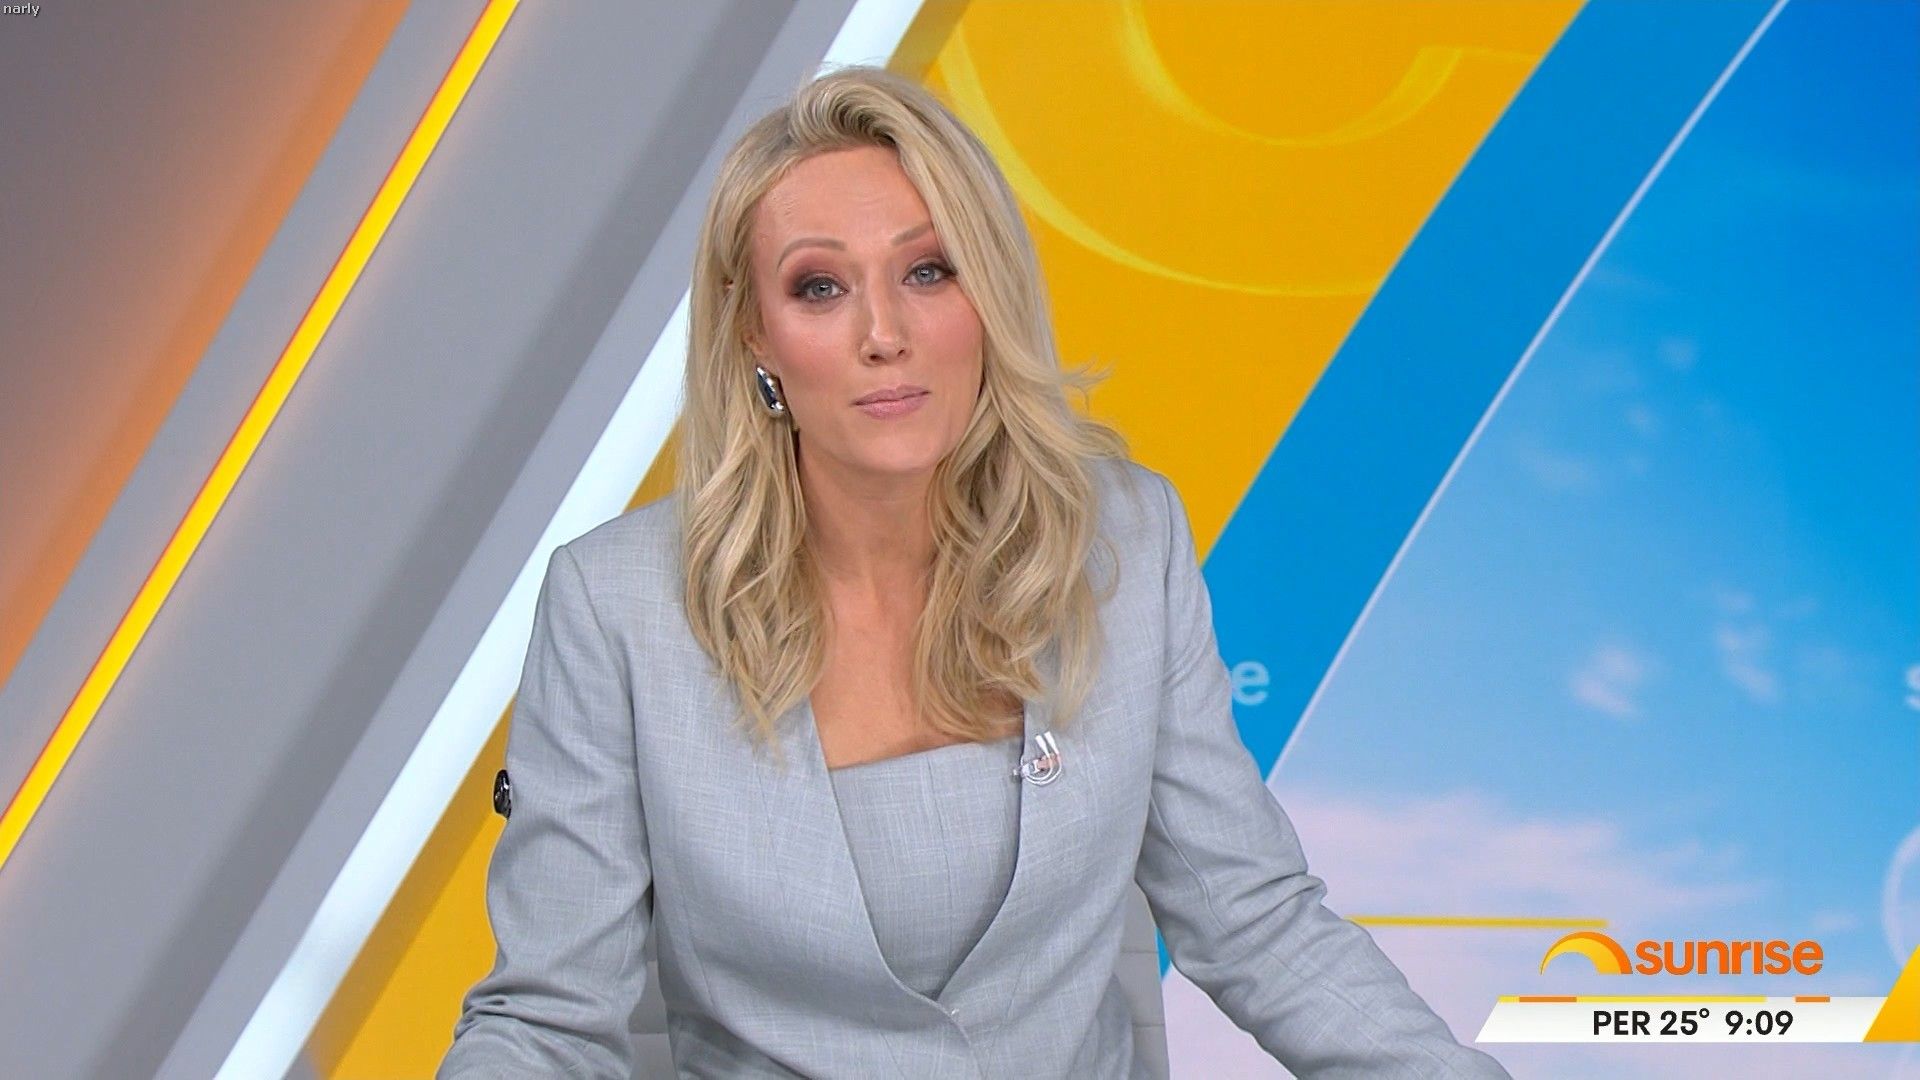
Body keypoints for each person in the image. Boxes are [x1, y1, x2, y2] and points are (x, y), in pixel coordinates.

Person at [440, 64, 1510, 1079]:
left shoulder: (1126, 541)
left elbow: (1255, 920)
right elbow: (547, 1020)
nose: (885, 334)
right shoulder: (616, 608)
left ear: (987, 289)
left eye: (928, 270)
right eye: (820, 287)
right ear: (755, 333)